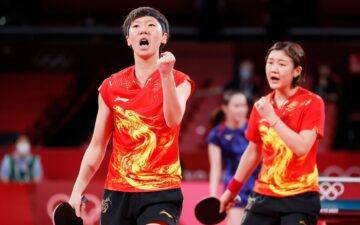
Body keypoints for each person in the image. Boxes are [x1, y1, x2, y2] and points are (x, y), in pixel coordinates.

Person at [68, 7, 194, 225]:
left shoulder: (180, 81)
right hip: (118, 192)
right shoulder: (110, 86)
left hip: (161, 191)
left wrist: (165, 75)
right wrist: (76, 190)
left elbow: (173, 119)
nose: (143, 30)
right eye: (136, 27)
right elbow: (97, 146)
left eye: (151, 26)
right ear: (129, 40)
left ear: (163, 37)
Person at [219, 41, 325, 225]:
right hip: (264, 196)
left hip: (299, 198)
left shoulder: (312, 103)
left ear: (296, 71)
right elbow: (253, 152)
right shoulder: (261, 106)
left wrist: (272, 117)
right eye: (270, 62)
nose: (273, 69)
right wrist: (231, 191)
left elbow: (301, 147)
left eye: (281, 64)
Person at [207, 90, 260, 225]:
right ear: (225, 108)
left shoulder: (257, 128)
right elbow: (215, 168)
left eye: (244, 105)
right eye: (236, 106)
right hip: (234, 190)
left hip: (259, 187)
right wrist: (213, 195)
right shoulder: (217, 134)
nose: (241, 110)